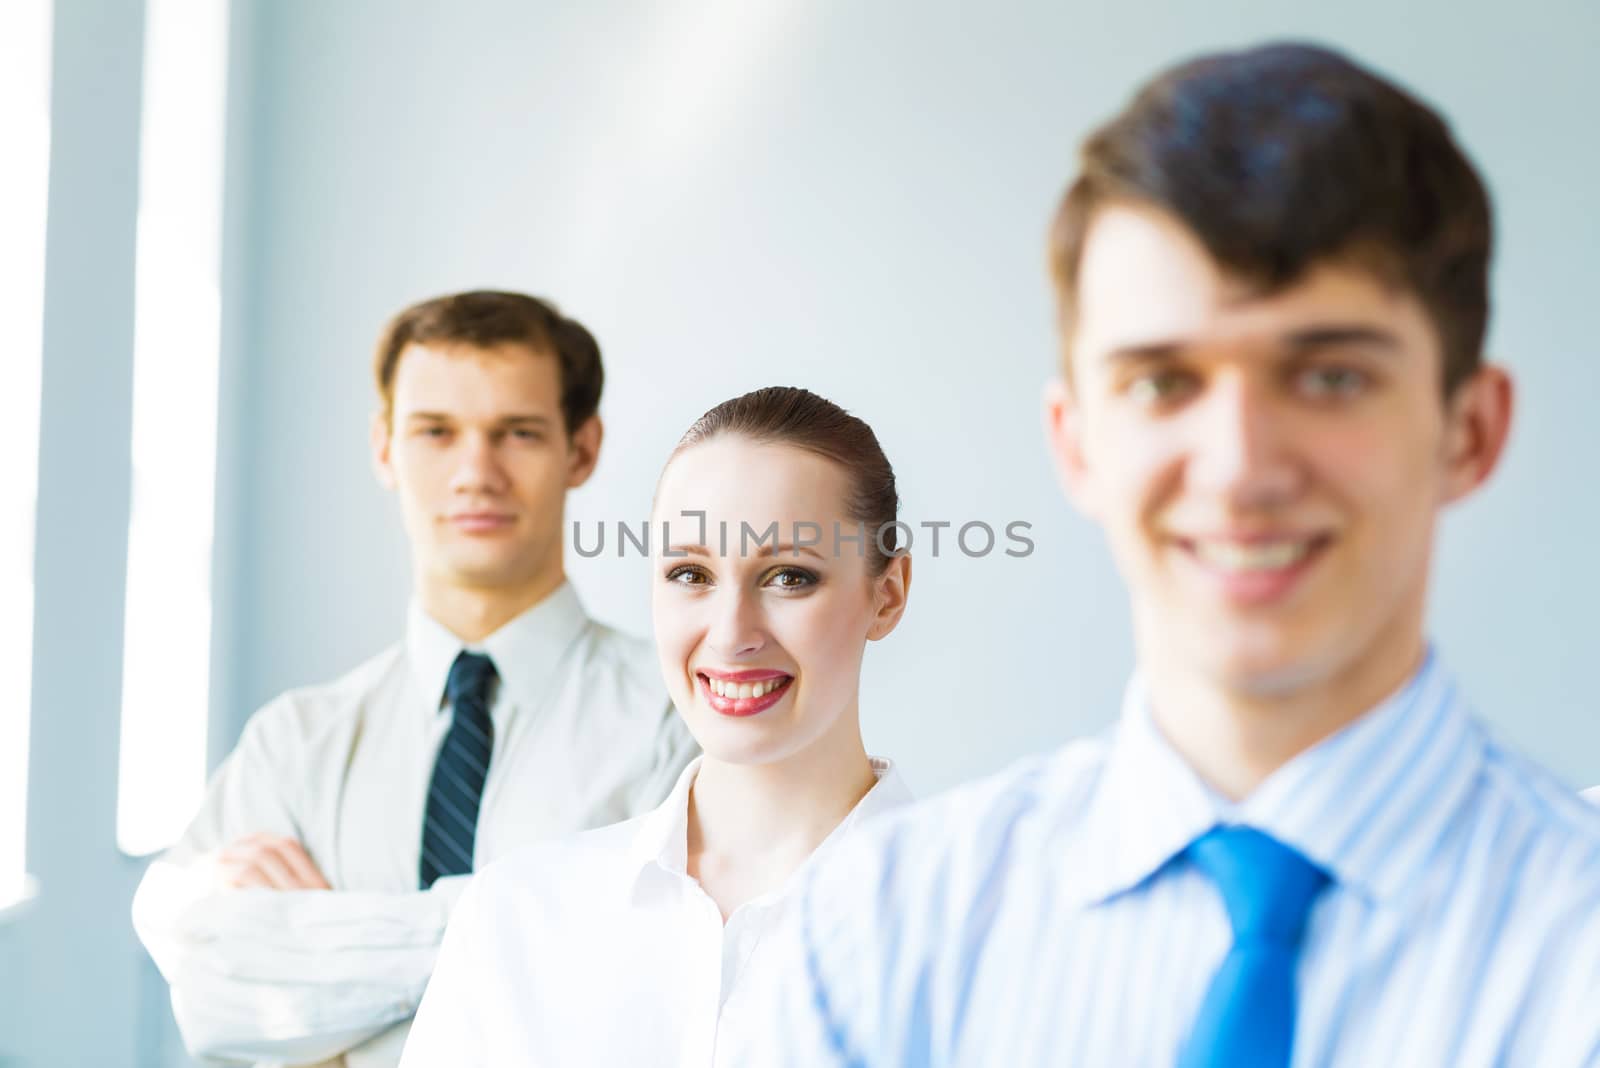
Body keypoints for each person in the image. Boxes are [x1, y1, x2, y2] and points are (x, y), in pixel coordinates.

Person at [757, 43, 1600, 1067]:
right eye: (1162, 383)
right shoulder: (874, 942)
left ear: (1468, 430)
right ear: (1075, 444)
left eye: (1329, 377)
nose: (1239, 468)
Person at [132, 290, 697, 1067]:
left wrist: (324, 952)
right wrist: (540, 929)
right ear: (384, 448)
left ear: (582, 449)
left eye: (519, 433)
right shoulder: (294, 743)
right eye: (436, 432)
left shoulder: (685, 718)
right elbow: (211, 990)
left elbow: (671, 992)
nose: (476, 472)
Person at [398, 386, 915, 1066]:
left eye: (790, 577)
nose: (732, 636)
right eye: (690, 573)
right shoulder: (518, 916)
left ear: (888, 594)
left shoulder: (980, 927)